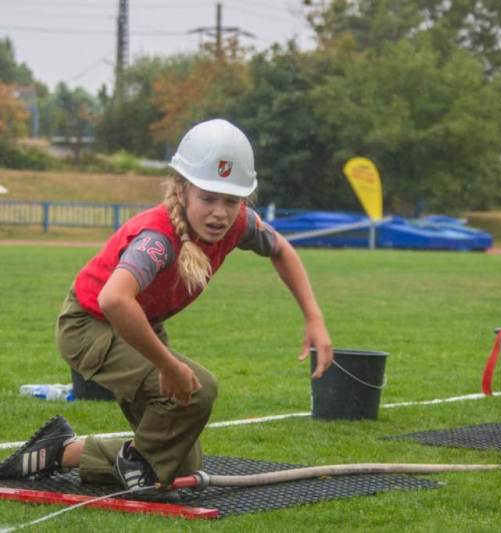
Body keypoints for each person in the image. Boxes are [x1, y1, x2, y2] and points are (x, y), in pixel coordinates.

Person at [0, 118, 333, 493]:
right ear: (182, 190)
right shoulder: (157, 239)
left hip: (136, 322)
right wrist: (167, 365)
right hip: (89, 326)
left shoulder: (239, 223)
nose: (220, 212)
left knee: (178, 462)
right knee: (200, 390)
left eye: (231, 200)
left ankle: (62, 451)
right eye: (208, 198)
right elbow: (113, 299)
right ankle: (136, 461)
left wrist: (314, 318)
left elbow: (281, 249)